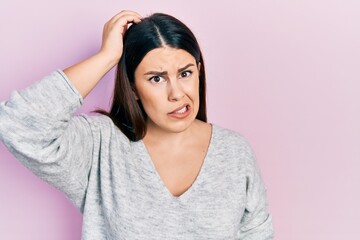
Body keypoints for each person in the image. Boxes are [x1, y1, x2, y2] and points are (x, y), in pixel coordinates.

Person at [0, 10, 274, 239]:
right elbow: (18, 124)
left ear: (199, 72)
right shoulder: (100, 146)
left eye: (185, 73)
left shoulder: (235, 152)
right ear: (132, 89)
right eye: (157, 78)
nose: (177, 93)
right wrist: (106, 57)